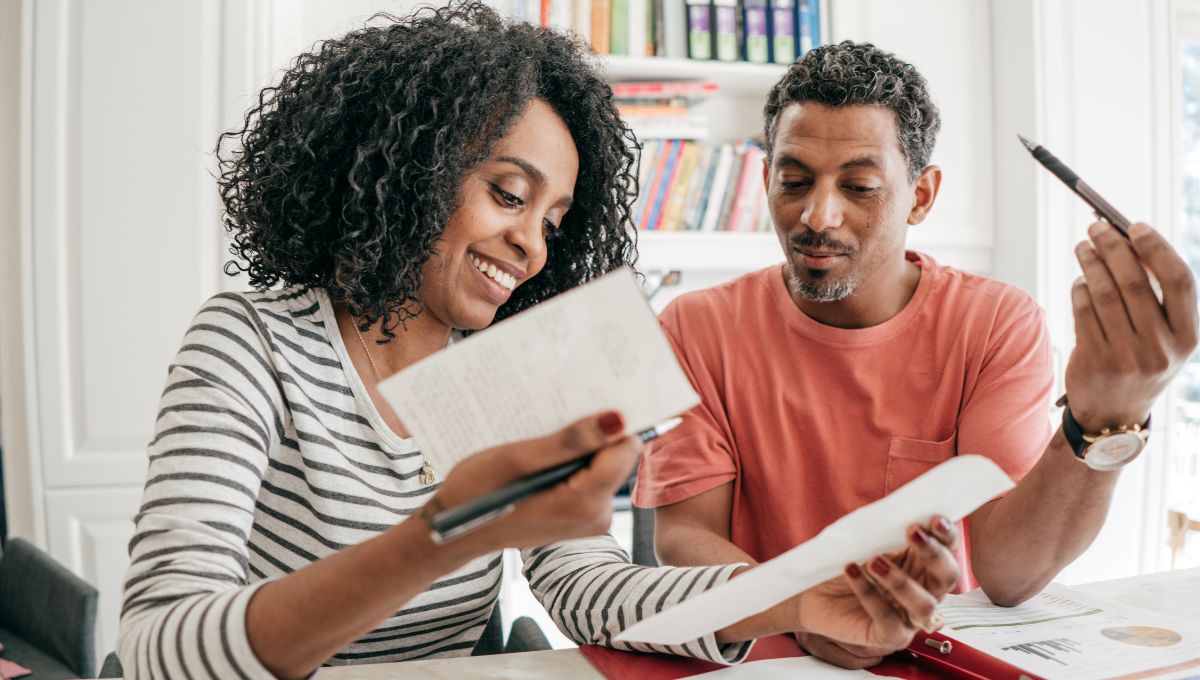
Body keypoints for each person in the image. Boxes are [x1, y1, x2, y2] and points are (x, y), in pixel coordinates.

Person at [116, 9, 964, 679]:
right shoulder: (251, 341)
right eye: (508, 194)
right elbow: (159, 644)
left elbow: (591, 590)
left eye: (555, 222)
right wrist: (448, 533)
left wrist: (790, 595)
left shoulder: (514, 375)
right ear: (408, 165)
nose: (532, 246)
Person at [637, 39, 1198, 670]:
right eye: (793, 181)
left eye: (860, 186)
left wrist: (1101, 418)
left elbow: (1009, 576)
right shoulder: (695, 325)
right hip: (763, 661)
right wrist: (799, 607)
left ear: (921, 197)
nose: (817, 216)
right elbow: (684, 533)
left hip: (926, 659)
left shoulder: (993, 324)